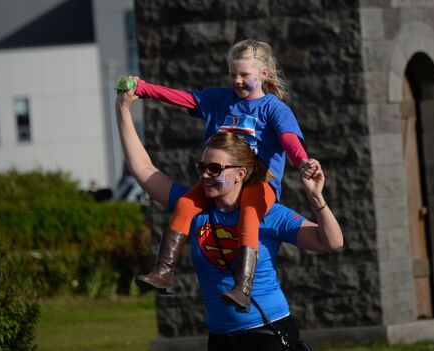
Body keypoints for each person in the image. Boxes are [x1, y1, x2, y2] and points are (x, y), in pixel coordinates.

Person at [116, 86, 343, 350]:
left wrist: (317, 199)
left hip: (268, 334)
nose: (206, 175)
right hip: (221, 338)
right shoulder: (192, 208)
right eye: (202, 167)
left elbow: (331, 242)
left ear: (241, 173)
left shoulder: (266, 213)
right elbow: (143, 169)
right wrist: (123, 109)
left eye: (215, 169)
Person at [127, 39, 319, 311]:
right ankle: (164, 271)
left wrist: (302, 162)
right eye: (232, 74)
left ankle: (243, 286)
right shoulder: (220, 100)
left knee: (250, 214)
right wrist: (144, 89)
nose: (237, 81)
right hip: (219, 179)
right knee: (184, 204)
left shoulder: (273, 109)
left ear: (264, 74)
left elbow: (289, 139)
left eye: (245, 75)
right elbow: (182, 97)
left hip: (258, 182)